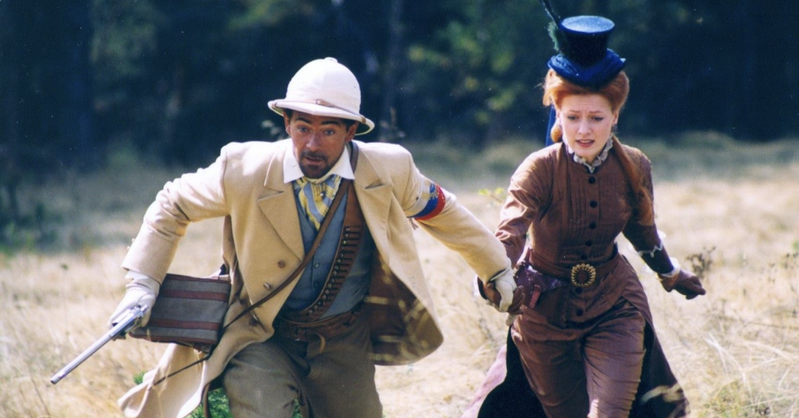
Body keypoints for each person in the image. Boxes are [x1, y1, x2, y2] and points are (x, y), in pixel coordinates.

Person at [108, 57, 517, 418]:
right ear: (286, 123)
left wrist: (496, 269)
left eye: (329, 131)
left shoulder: (390, 169)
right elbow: (173, 203)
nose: (312, 144)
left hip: (344, 339)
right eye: (302, 128)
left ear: (352, 131)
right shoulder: (244, 168)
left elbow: (442, 211)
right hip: (260, 334)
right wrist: (143, 282)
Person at [465, 3, 706, 418]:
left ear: (615, 115)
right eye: (572, 116)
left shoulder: (635, 166)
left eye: (596, 117)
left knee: (610, 411)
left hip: (615, 304)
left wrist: (670, 273)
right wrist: (492, 277)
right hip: (544, 316)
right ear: (557, 115)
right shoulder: (538, 169)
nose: (583, 129)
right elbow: (509, 235)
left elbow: (642, 231)